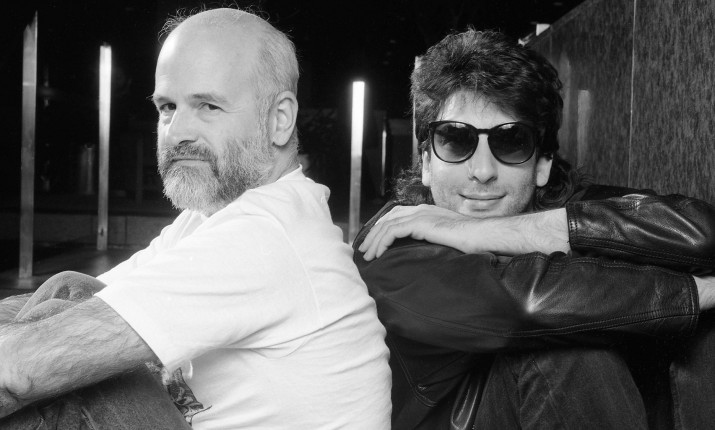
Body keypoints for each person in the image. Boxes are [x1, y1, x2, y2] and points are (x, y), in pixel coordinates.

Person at [0, 8, 391, 429]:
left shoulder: (266, 235)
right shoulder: (211, 218)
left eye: (208, 106)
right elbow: (88, 301)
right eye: (168, 107)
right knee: (70, 291)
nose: (176, 132)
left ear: (279, 119)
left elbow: (22, 368)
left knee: (53, 376)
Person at [353, 29, 715, 429]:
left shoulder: (563, 207)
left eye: (511, 142)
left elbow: (701, 233)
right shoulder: (390, 245)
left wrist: (489, 231)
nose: (483, 171)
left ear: (541, 165)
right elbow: (523, 304)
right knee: (565, 346)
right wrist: (698, 292)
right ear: (426, 162)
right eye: (456, 140)